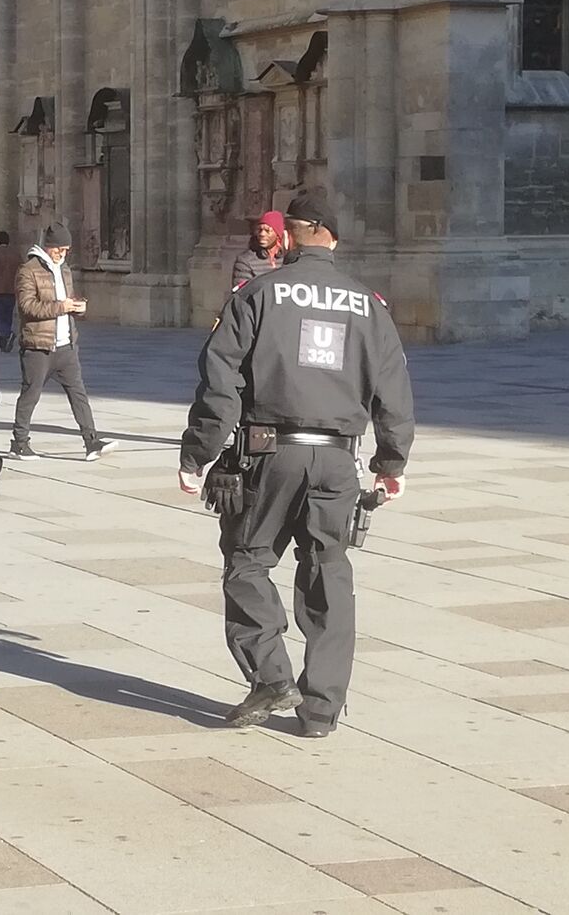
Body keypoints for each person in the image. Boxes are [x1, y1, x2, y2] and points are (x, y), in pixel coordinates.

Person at [176, 190, 415, 739]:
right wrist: (391, 461)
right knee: (328, 572)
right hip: (337, 459)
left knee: (248, 561)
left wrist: (198, 453)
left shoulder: (257, 293)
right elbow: (394, 391)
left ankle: (271, 676)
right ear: (335, 239)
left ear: (288, 236)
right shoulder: (369, 305)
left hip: (270, 452)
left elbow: (220, 380)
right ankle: (321, 711)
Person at [9, 223, 114, 461]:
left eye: (66, 250)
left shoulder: (64, 270)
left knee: (79, 394)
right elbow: (27, 307)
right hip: (39, 347)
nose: (63, 254)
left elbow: (66, 301)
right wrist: (61, 307)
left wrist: (77, 307)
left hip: (66, 345)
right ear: (48, 246)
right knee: (30, 395)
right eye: (59, 249)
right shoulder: (28, 270)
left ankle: (91, 441)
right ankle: (19, 443)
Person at [233, 211, 287, 288]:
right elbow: (241, 291)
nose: (262, 234)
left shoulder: (288, 259)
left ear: (278, 235)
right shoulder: (245, 261)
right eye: (259, 230)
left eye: (267, 230)